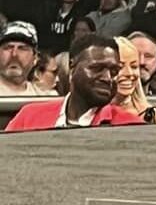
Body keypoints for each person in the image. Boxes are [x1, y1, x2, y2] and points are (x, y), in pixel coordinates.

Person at [3, 32, 146, 131]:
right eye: (97, 68)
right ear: (72, 68)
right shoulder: (30, 116)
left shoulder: (130, 126)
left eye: (114, 71)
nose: (107, 78)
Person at [111, 34, 156, 125]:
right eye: (120, 67)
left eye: (134, 66)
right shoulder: (91, 115)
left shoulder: (155, 116)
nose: (129, 73)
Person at [0, 18, 45, 95]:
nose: (14, 54)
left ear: (35, 58)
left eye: (22, 48)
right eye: (8, 47)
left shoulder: (43, 98)